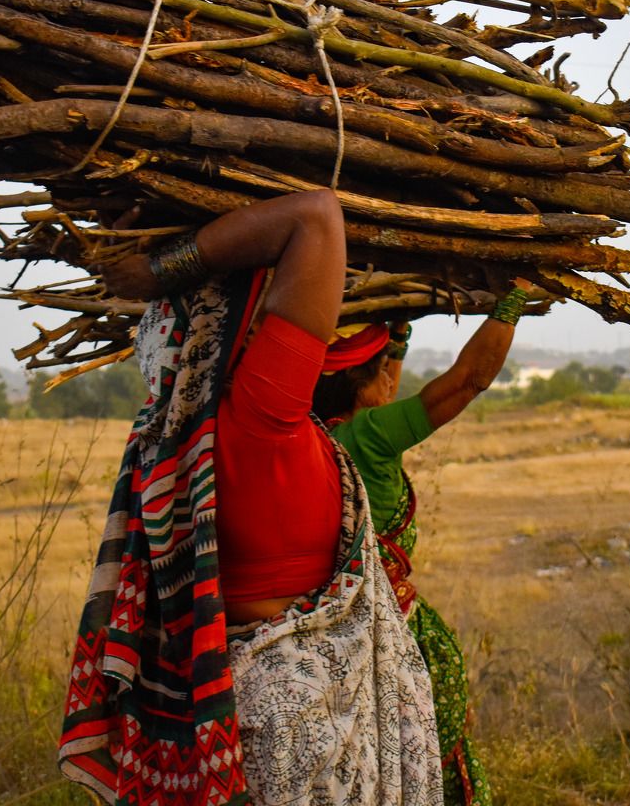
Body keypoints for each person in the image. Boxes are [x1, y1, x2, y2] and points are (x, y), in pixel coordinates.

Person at [59, 189, 445, 806]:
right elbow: (317, 216)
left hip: (252, 713)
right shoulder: (260, 420)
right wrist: (159, 271)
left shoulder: (174, 446)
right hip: (299, 718)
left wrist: (130, 237)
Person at [313, 281, 532, 806]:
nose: (392, 384)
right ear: (360, 384)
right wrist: (513, 300)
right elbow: (470, 379)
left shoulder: (307, 431)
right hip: (387, 638)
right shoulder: (369, 434)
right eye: (381, 372)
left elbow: (387, 385)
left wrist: (396, 331)